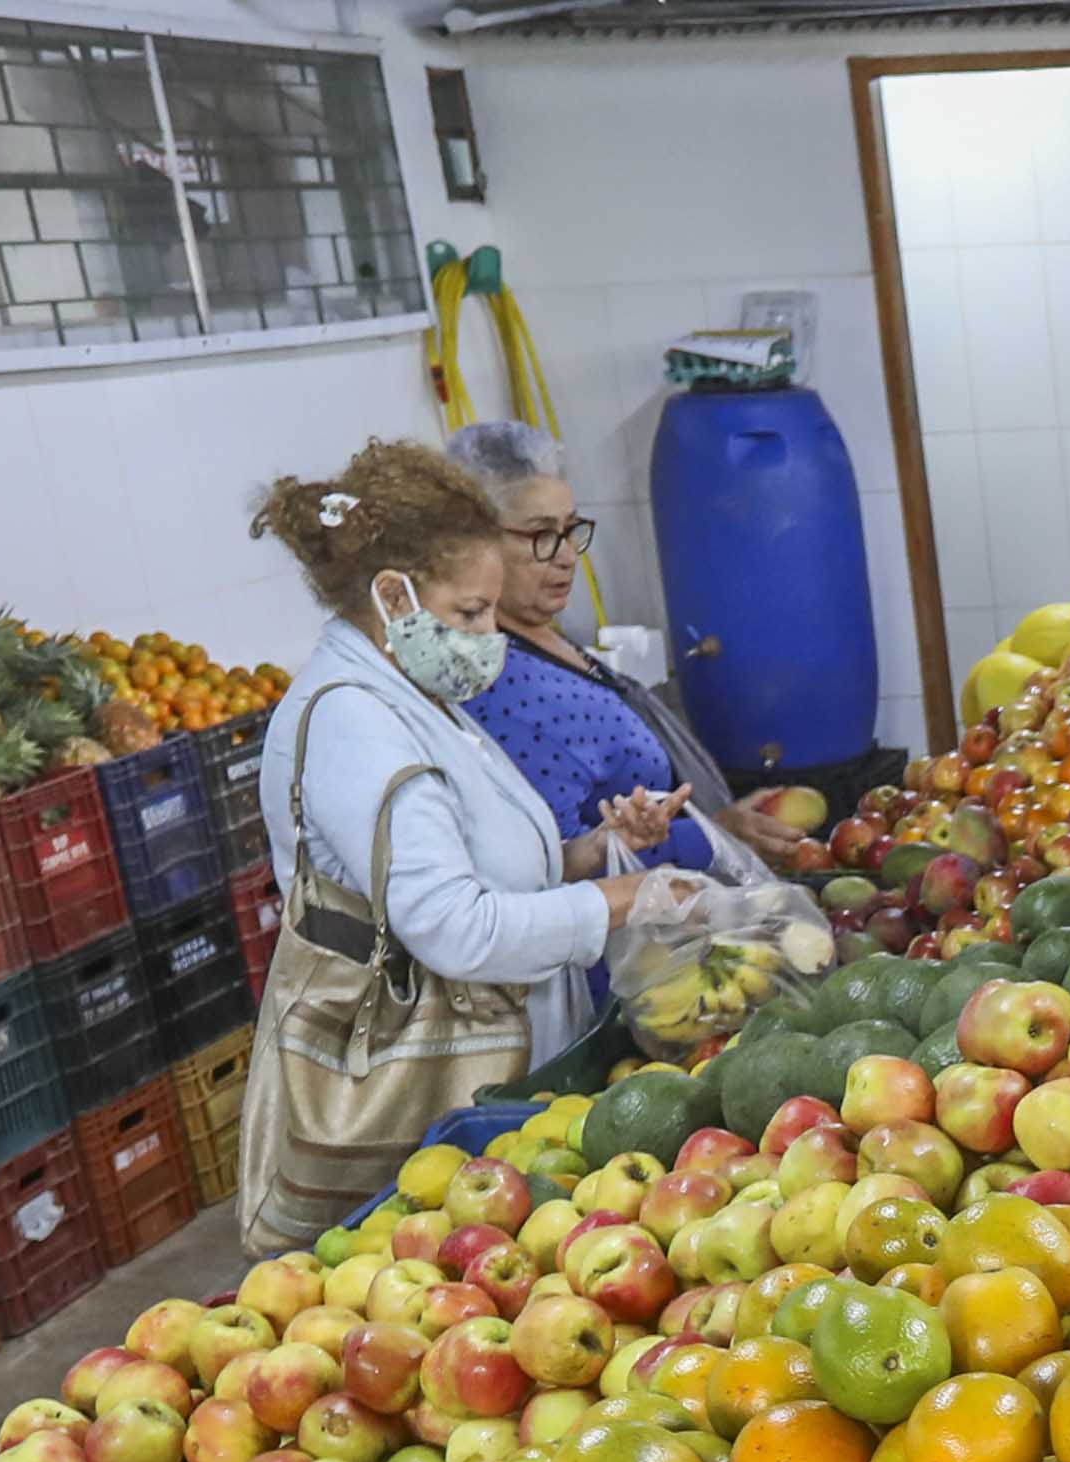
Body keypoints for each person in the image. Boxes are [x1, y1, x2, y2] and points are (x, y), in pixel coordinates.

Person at [242, 441, 700, 1244]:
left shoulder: (412, 691)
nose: (489, 636)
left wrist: (593, 850)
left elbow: (473, 860)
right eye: (468, 614)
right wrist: (617, 900)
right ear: (392, 596)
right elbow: (453, 927)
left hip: (507, 1061)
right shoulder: (358, 724)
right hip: (422, 1087)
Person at [429, 416, 775, 874]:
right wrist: (716, 835)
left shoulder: (543, 632)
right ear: (473, 545)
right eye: (541, 535)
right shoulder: (496, 683)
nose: (568, 555)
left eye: (570, 529)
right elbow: (553, 866)